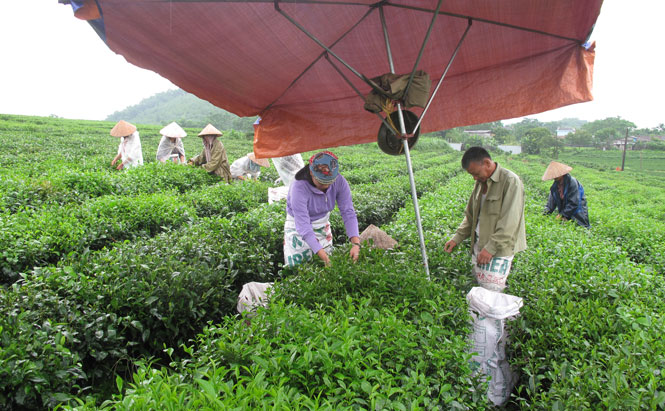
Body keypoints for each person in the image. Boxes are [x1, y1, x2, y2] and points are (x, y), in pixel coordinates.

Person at [444, 147, 526, 292]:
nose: (474, 178)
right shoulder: (481, 182)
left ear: (487, 163)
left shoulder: (510, 181)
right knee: (480, 291)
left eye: (475, 173)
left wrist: (490, 248)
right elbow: (471, 216)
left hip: (498, 250)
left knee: (491, 293)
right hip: (479, 245)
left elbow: (510, 222)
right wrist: (456, 238)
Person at [284, 151, 360, 267]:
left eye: (329, 182)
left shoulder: (339, 181)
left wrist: (356, 244)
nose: (326, 186)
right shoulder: (298, 187)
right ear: (311, 173)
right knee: (299, 269)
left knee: (324, 268)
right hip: (298, 228)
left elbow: (348, 212)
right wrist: (323, 256)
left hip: (322, 225)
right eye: (321, 182)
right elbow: (303, 225)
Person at [542, 161, 590, 228]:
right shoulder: (554, 187)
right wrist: (544, 215)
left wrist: (562, 215)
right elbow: (550, 205)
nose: (554, 177)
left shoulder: (572, 182)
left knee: (580, 229)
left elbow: (574, 203)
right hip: (566, 212)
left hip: (577, 212)